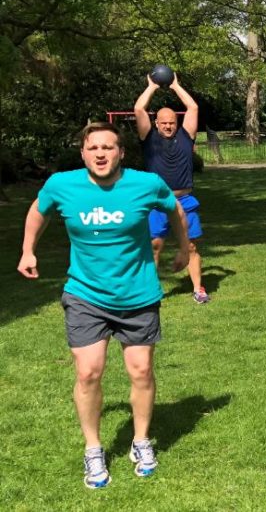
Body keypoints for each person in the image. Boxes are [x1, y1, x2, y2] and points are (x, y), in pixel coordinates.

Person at [18, 122, 190, 488]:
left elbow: (175, 208)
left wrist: (183, 246)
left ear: (121, 152)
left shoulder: (145, 184)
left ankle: (141, 441)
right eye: (93, 147)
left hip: (138, 295)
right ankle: (93, 449)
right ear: (82, 153)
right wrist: (27, 250)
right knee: (88, 372)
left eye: (108, 147)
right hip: (85, 295)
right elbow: (38, 211)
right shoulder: (62, 185)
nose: (100, 154)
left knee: (141, 371)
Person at [133, 73, 209, 303]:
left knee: (192, 246)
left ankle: (198, 289)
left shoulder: (186, 137)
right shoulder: (149, 138)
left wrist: (175, 86)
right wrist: (152, 87)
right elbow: (139, 110)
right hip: (157, 202)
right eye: (163, 122)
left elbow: (192, 107)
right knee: (154, 245)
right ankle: (150, 291)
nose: (168, 126)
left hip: (184, 200)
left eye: (171, 122)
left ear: (177, 123)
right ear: (156, 123)